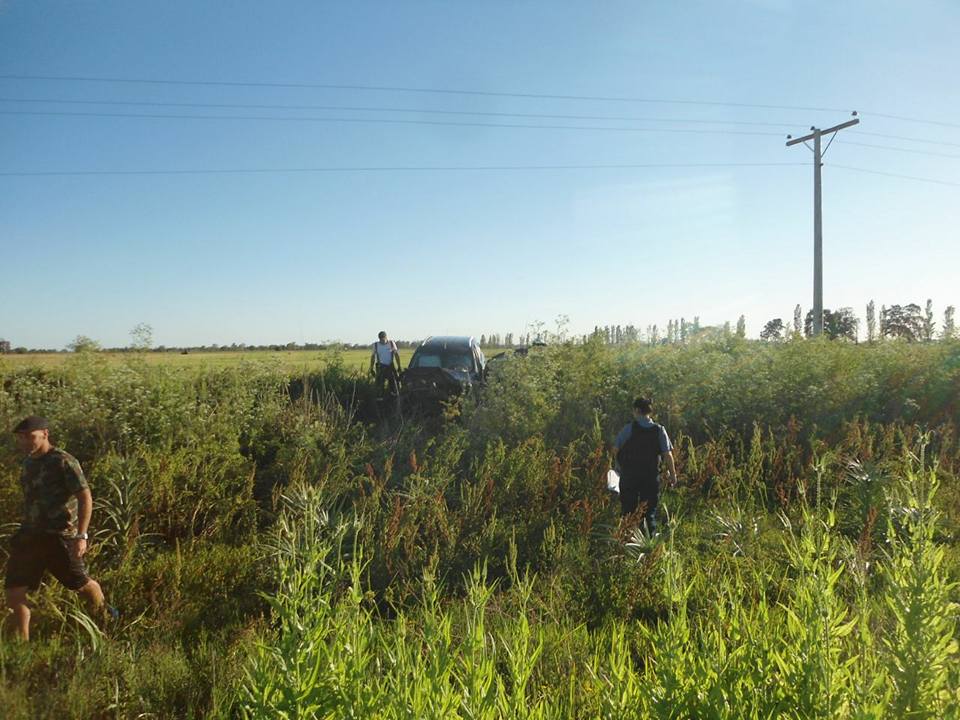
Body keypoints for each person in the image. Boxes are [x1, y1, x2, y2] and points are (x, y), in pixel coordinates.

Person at [4, 416, 116, 640]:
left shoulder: (63, 461)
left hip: (58, 537)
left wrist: (81, 535)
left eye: (30, 437)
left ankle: (106, 619)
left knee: (81, 584)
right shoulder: (27, 464)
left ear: (45, 434)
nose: (25, 443)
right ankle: (21, 649)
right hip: (30, 537)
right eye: (21, 439)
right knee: (15, 592)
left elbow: (85, 497)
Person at [613, 397, 678, 531]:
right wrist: (673, 475)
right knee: (649, 513)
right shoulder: (659, 430)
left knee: (627, 512)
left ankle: (627, 543)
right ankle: (648, 547)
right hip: (650, 477)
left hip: (629, 477)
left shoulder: (629, 428)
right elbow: (668, 454)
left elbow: (615, 449)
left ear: (637, 410)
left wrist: (617, 467)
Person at [369, 331, 402, 397]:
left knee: (395, 383)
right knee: (379, 385)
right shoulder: (376, 345)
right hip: (380, 367)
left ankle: (395, 397)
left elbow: (396, 355)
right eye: (381, 339)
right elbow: (373, 357)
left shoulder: (391, 343)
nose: (382, 340)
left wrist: (399, 366)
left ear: (386, 337)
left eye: (383, 338)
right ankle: (380, 398)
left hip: (390, 366)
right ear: (379, 338)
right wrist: (371, 368)